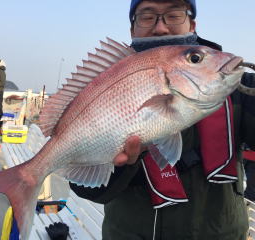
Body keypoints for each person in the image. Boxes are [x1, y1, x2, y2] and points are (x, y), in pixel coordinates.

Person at [69, 0, 255, 239]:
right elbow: (86, 188)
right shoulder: (103, 82)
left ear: (192, 25)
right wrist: (119, 165)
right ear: (132, 29)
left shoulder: (240, 87)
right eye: (147, 16)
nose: (161, 28)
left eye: (174, 14)